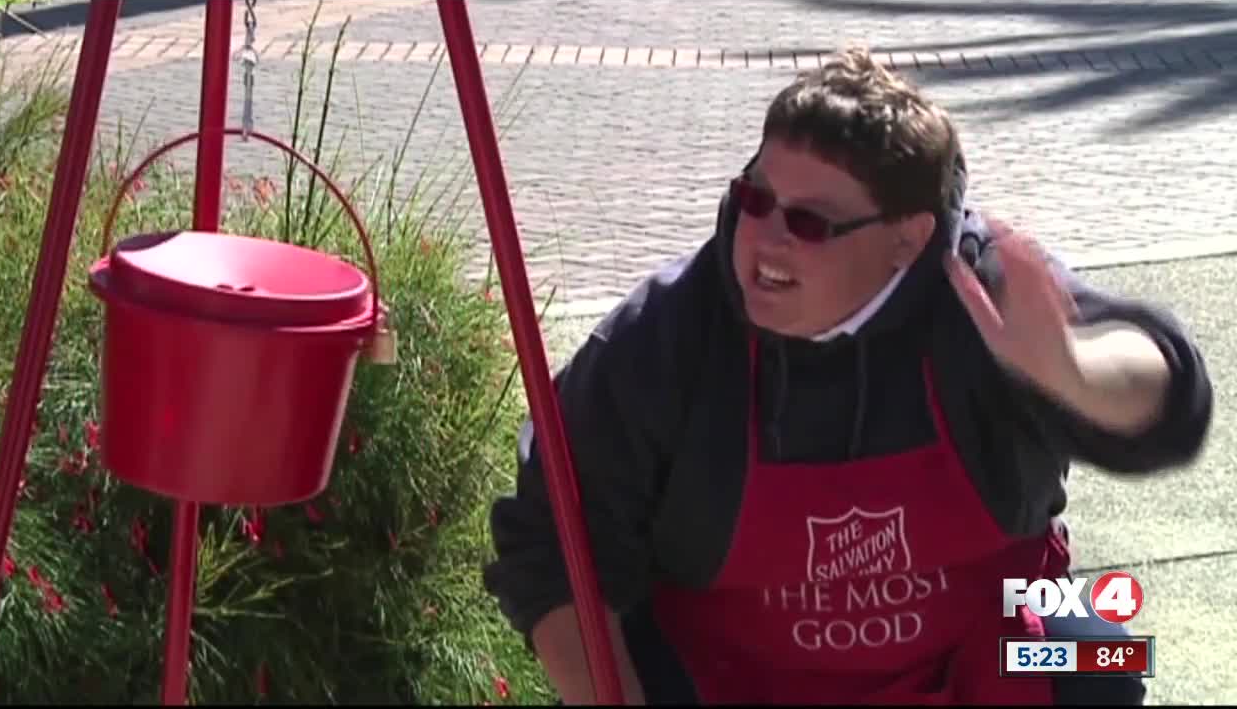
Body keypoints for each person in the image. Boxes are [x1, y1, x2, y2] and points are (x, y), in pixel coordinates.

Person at [482, 47, 1212, 705]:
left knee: (1107, 658)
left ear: (907, 239)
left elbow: (1164, 379)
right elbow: (549, 544)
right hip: (732, 669)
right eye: (755, 200)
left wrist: (1074, 372)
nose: (763, 237)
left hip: (975, 643)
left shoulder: (983, 293)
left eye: (810, 222)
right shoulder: (661, 338)